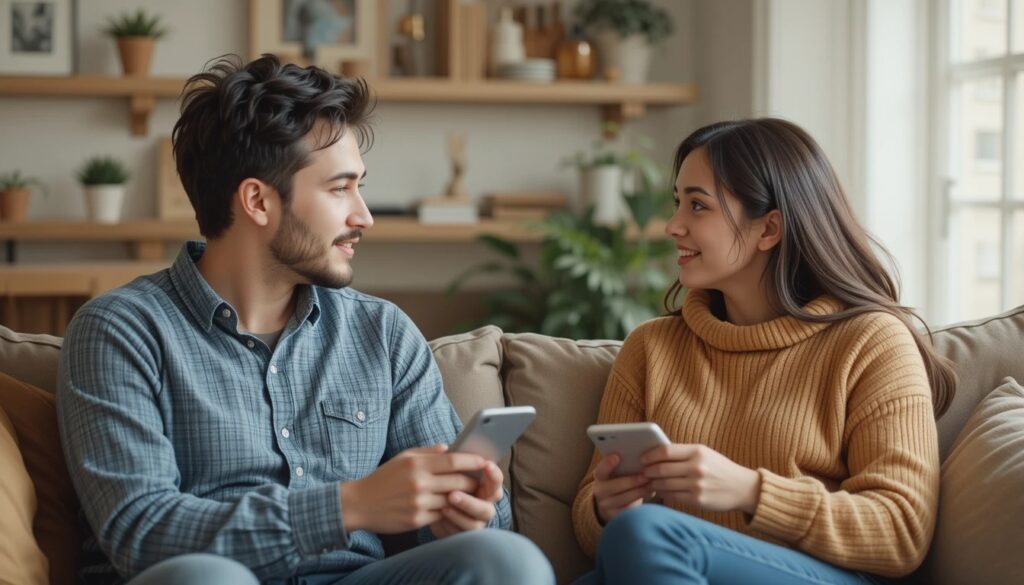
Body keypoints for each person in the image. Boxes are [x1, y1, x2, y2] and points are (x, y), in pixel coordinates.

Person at [57, 54, 554, 585]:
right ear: (258, 201)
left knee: (507, 561)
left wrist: (463, 514)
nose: (362, 215)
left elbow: (469, 529)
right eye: (340, 188)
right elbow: (142, 532)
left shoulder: (382, 335)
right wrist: (349, 506)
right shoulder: (121, 331)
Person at [571, 118, 955, 585]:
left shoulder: (871, 342)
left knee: (649, 535)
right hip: (665, 564)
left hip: (820, 576)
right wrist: (605, 508)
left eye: (697, 205)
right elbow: (597, 531)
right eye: (678, 203)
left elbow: (902, 531)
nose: (673, 226)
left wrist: (751, 491)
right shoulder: (651, 348)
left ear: (769, 229)